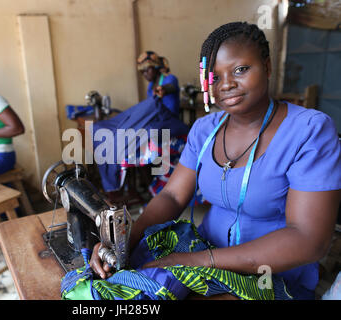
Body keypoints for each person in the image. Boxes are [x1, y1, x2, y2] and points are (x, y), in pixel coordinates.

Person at [90, 22, 341, 300]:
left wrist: (198, 261)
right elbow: (172, 196)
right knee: (117, 283)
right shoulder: (205, 130)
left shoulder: (309, 131)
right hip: (204, 253)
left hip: (273, 274)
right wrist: (124, 242)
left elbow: (308, 239)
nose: (227, 84)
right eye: (215, 77)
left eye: (240, 69)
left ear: (267, 67)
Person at [137, 51, 180, 116]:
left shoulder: (170, 78)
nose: (145, 74)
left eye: (147, 70)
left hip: (171, 121)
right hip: (158, 120)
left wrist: (163, 89)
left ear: (156, 66)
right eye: (142, 72)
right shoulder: (150, 86)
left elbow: (171, 86)